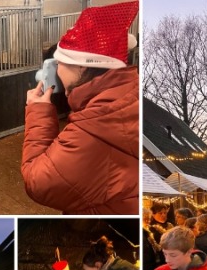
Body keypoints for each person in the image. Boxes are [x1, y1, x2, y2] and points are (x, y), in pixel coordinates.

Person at [21, 1, 139, 214]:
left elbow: (37, 181)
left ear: (83, 65)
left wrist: (38, 113)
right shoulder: (127, 96)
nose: (57, 68)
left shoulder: (95, 123)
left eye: (60, 61)